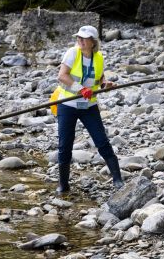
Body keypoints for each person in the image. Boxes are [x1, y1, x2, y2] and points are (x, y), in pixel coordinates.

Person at [53, 25, 124, 195]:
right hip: (67, 105)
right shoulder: (72, 52)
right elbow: (62, 75)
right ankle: (63, 185)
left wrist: (105, 84)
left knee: (102, 141)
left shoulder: (99, 57)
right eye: (79, 37)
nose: (80, 40)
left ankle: (118, 180)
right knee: (65, 146)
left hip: (89, 106)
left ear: (93, 42)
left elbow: (98, 78)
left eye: (84, 38)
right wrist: (80, 89)